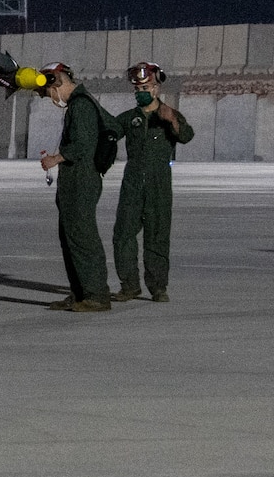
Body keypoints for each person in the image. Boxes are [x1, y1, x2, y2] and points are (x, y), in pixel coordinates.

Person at [35, 62, 117, 312]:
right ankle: (80, 292)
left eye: (48, 91)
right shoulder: (79, 105)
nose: (50, 98)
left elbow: (82, 146)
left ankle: (96, 295)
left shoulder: (81, 105)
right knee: (70, 237)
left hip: (81, 181)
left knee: (83, 238)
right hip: (74, 181)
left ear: (56, 82)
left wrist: (55, 159)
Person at [111, 61, 194, 303]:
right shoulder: (129, 118)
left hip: (159, 183)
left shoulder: (168, 115)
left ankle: (158, 287)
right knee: (123, 234)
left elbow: (187, 136)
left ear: (156, 88)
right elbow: (109, 134)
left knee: (157, 236)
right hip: (133, 182)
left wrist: (173, 121)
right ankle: (129, 285)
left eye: (146, 87)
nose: (141, 92)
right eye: (137, 89)